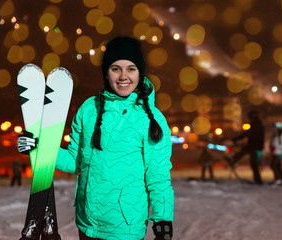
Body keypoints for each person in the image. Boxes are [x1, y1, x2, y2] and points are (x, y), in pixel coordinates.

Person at [18, 36, 174, 240]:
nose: (123, 76)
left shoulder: (150, 118)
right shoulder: (89, 110)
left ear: (140, 72)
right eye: (116, 68)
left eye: (131, 69)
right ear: (106, 72)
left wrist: (163, 220)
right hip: (88, 225)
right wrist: (38, 147)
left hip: (125, 229)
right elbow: (75, 161)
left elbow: (158, 174)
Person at [231, 110, 265, 185]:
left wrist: (237, 139)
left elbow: (248, 134)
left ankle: (233, 160)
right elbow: (248, 134)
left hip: (254, 146)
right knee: (253, 163)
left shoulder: (256, 125)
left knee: (253, 163)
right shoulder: (256, 124)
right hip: (255, 146)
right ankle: (258, 180)